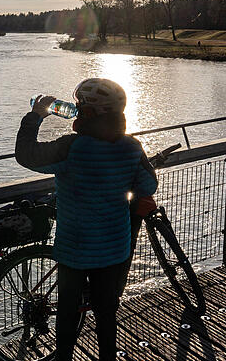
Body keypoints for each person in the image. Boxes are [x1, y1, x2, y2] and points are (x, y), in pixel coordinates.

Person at [15, 78, 158, 361]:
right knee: (106, 313)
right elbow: (148, 186)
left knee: (68, 314)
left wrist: (36, 115)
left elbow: (25, 154)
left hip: (75, 249)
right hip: (114, 249)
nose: (77, 111)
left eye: (81, 107)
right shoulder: (132, 147)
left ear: (90, 113)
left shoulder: (71, 147)